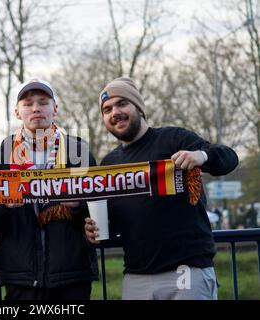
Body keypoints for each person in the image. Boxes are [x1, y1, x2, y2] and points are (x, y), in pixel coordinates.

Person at [85, 77, 239, 300]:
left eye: (122, 104)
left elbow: (229, 158)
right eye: (107, 109)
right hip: (136, 277)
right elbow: (114, 223)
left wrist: (200, 155)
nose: (114, 112)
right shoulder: (109, 164)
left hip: (186, 273)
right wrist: (96, 230)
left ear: (139, 108)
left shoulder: (173, 139)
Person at [0, 79, 99, 300]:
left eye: (43, 102)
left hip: (71, 275)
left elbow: (99, 212)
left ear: (55, 109)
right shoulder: (2, 155)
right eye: (28, 104)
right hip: (21, 277)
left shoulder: (77, 152)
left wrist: (77, 207)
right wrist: (4, 206)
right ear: (17, 112)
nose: (35, 108)